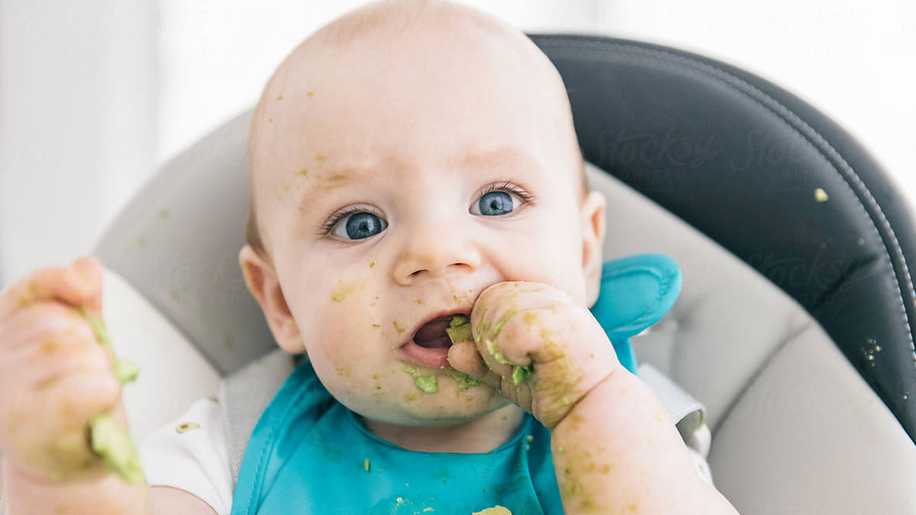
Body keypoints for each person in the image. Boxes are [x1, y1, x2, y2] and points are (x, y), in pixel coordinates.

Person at [0, 1, 739, 513]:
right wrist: (71, 481)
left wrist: (589, 406)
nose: (435, 252)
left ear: (584, 251)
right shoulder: (235, 436)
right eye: (359, 223)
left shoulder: (635, 414)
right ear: (283, 301)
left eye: (496, 201)